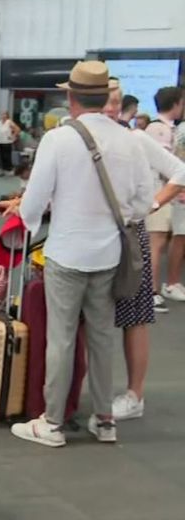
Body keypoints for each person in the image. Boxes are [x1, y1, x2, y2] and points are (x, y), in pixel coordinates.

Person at [1, 61, 151, 447]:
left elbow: (34, 201)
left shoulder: (59, 140)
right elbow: (142, 201)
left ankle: (52, 423)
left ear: (70, 97)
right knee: (102, 336)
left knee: (62, 338)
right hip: (109, 255)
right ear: (106, 98)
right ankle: (105, 420)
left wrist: (29, 218)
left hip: (66, 253)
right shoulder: (129, 140)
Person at [104, 84, 185, 422]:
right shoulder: (73, 136)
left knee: (134, 316)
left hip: (129, 235)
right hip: (89, 237)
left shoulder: (136, 139)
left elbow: (180, 171)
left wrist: (153, 203)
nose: (109, 108)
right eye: (103, 101)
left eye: (114, 102)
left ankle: (135, 394)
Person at [144, 86, 184, 310]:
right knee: (155, 243)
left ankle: (154, 290)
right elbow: (164, 166)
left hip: (163, 193)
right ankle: (150, 291)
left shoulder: (163, 128)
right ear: (175, 103)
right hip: (158, 192)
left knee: (158, 242)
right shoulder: (158, 129)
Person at [0, 111, 20, 175]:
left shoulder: (9, 122)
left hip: (7, 142)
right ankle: (3, 169)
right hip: (0, 141)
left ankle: (9, 169)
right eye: (2, 114)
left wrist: (13, 136)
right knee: (1, 156)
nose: (3, 116)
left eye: (4, 114)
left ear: (7, 115)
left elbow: (17, 129)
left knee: (7, 156)